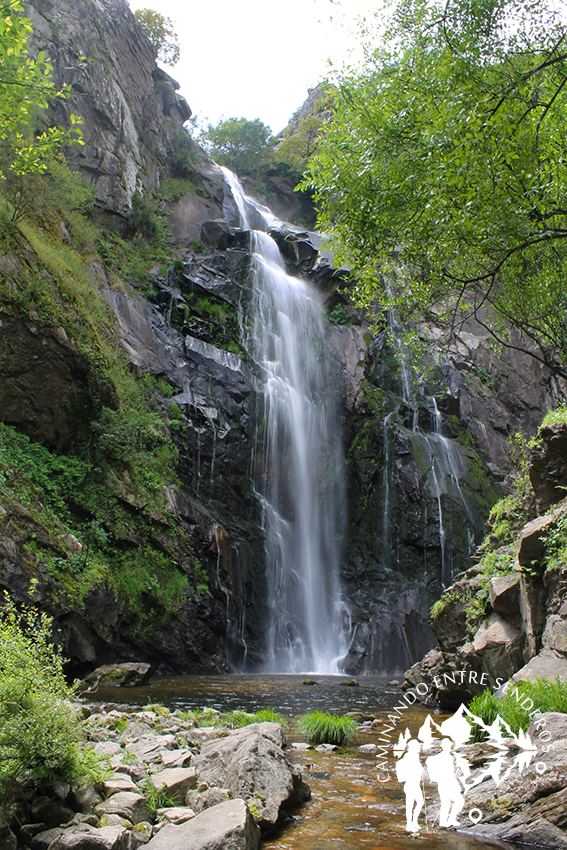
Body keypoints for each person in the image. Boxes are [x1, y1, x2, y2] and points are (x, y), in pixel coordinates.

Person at [426, 738, 465, 827]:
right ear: (442, 746)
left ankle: (450, 819)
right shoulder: (440, 757)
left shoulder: (449, 757)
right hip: (444, 783)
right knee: (447, 803)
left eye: (449, 745)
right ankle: (444, 822)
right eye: (446, 745)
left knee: (458, 801)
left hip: (449, 782)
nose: (448, 747)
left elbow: (451, 773)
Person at [395, 738, 424, 832]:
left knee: (420, 802)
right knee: (410, 805)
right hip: (410, 784)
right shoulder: (408, 757)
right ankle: (409, 825)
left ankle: (414, 822)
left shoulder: (415, 756)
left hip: (416, 784)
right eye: (418, 747)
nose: (419, 748)